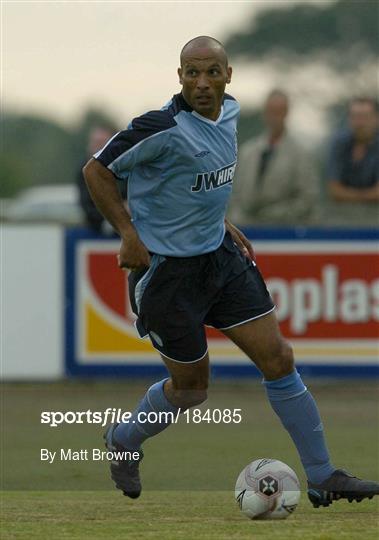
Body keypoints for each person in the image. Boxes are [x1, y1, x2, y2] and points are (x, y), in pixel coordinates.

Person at [83, 36, 379, 507]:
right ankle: (123, 438)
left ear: (228, 76)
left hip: (220, 260)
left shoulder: (233, 113)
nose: (202, 82)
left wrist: (219, 219)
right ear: (179, 76)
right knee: (192, 389)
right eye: (192, 73)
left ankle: (324, 475)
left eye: (212, 73)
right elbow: (96, 171)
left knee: (279, 359)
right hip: (167, 276)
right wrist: (128, 234)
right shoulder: (159, 127)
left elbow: (195, 181)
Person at [228, 89, 319, 226]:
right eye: (271, 112)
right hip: (246, 228)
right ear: (264, 114)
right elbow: (235, 194)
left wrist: (276, 214)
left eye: (279, 112)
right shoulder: (248, 152)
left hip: (283, 230)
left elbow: (308, 199)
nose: (274, 117)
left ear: (286, 114)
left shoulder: (300, 155)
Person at [325, 97, 379, 226]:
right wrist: (366, 195)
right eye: (355, 117)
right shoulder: (339, 143)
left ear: (376, 119)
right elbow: (334, 190)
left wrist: (348, 194)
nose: (360, 123)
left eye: (365, 117)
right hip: (342, 218)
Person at [77, 125, 125, 233]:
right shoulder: (84, 169)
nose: (97, 147)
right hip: (96, 229)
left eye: (102, 143)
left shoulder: (123, 167)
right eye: (95, 142)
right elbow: (86, 203)